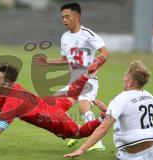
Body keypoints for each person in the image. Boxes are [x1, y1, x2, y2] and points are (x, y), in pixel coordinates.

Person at [0, 64, 106, 155]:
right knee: (72, 94)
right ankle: (87, 74)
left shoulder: (13, 103)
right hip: (51, 103)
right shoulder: (8, 88)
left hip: (52, 118)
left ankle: (103, 118)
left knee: (79, 133)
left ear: (8, 83)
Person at [33, 2, 108, 149]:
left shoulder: (88, 35)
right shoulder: (65, 37)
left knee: (83, 108)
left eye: (67, 17)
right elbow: (64, 60)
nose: (64, 20)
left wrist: (96, 64)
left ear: (77, 16)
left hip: (88, 80)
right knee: (52, 105)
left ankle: (97, 142)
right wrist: (47, 62)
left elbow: (104, 53)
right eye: (62, 18)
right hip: (73, 81)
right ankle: (73, 132)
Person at [64, 61, 153, 160]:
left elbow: (103, 128)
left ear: (130, 82)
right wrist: (107, 109)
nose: (124, 79)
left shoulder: (121, 98)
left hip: (133, 156)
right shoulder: (151, 97)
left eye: (125, 77)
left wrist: (81, 149)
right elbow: (133, 116)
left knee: (120, 153)